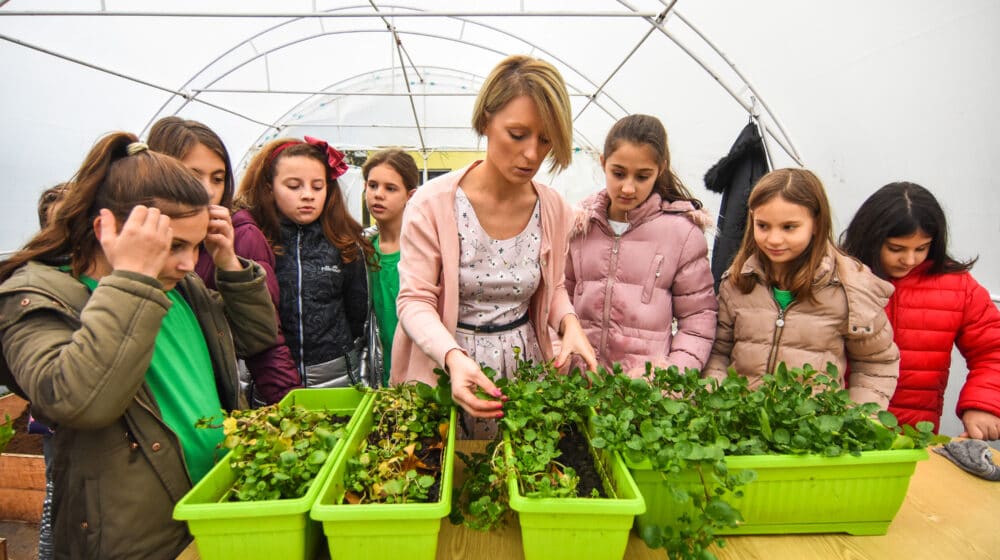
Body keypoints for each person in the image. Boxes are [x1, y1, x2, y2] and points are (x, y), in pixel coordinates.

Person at [0, 132, 277, 558]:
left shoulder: (181, 287)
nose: (189, 263)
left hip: (211, 513)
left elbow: (255, 338)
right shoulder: (39, 296)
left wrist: (229, 264)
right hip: (140, 539)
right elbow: (79, 400)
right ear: (107, 229)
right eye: (174, 245)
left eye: (196, 245)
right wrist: (131, 279)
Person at [390, 54, 598, 432]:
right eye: (517, 135)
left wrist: (569, 324)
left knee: (519, 472)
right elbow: (414, 299)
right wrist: (453, 357)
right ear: (487, 120)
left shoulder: (552, 208)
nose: (532, 154)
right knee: (447, 472)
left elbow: (555, 288)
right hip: (447, 365)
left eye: (546, 140)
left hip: (523, 366)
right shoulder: (433, 204)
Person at [703, 168, 899, 409]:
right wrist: (717, 403)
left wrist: (858, 417)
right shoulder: (737, 281)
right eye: (763, 226)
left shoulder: (850, 287)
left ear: (816, 223)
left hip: (812, 434)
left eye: (789, 227)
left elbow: (876, 363)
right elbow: (718, 354)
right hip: (742, 429)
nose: (774, 239)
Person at [148, 116, 300, 405]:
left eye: (217, 179)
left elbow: (260, 339)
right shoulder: (113, 262)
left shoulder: (239, 238)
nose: (206, 191)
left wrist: (229, 263)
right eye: (193, 176)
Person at [841, 182, 1000, 438]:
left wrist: (985, 404)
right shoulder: (836, 278)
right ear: (870, 236)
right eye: (896, 248)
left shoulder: (959, 287)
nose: (910, 259)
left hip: (914, 442)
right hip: (839, 437)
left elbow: (993, 350)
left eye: (922, 248)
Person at [566, 114, 717, 377]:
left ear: (661, 169)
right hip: (579, 385)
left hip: (645, 396)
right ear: (602, 163)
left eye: (642, 176)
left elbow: (698, 319)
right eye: (618, 173)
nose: (627, 187)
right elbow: (558, 302)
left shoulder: (681, 234)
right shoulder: (579, 225)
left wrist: (670, 378)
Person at [236, 135, 371, 388]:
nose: (308, 195)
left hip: (336, 377)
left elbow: (357, 313)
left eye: (317, 187)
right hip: (268, 379)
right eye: (294, 186)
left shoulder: (344, 242)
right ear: (269, 187)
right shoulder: (253, 241)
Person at [361, 149, 420, 385]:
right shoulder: (362, 249)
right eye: (372, 186)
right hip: (382, 373)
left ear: (410, 195)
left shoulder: (423, 250)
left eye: (390, 188)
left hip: (423, 371)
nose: (378, 195)